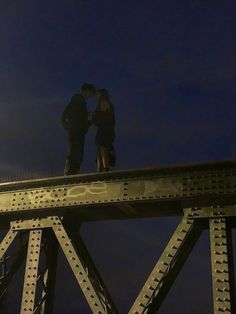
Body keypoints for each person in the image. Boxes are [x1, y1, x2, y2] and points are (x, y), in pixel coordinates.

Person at [62, 83, 96, 175]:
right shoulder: (78, 100)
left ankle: (71, 172)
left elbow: (66, 113)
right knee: (76, 152)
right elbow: (77, 116)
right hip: (77, 131)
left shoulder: (77, 100)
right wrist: (88, 120)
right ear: (86, 91)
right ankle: (71, 172)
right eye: (90, 94)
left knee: (76, 151)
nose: (90, 96)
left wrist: (67, 125)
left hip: (75, 130)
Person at [93, 89, 115, 172]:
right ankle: (101, 169)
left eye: (97, 94)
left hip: (104, 129)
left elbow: (102, 116)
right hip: (106, 129)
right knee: (100, 149)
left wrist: (93, 117)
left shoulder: (104, 102)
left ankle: (104, 169)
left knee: (102, 148)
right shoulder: (105, 103)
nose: (96, 96)